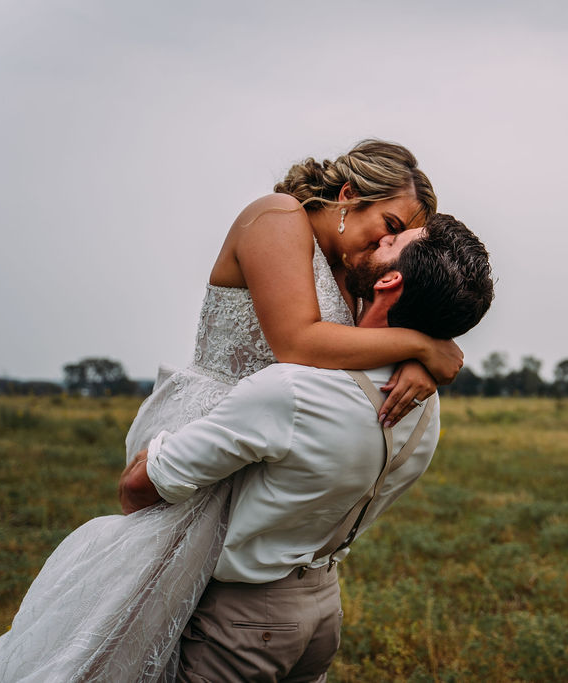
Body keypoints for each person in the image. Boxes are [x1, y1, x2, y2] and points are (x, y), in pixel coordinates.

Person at [0, 141, 462, 682]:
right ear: (349, 195)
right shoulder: (277, 218)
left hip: (270, 434)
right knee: (127, 618)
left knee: (209, 600)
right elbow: (297, 343)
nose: (385, 243)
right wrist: (419, 347)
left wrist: (423, 360)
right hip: (213, 420)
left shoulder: (352, 272)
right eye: (388, 224)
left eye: (399, 238)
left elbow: (384, 328)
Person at [119, 213, 494, 681]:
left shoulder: (293, 391)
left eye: (392, 239)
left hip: (242, 620)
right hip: (321, 614)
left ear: (390, 280)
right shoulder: (426, 406)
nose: (380, 236)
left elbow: (143, 485)